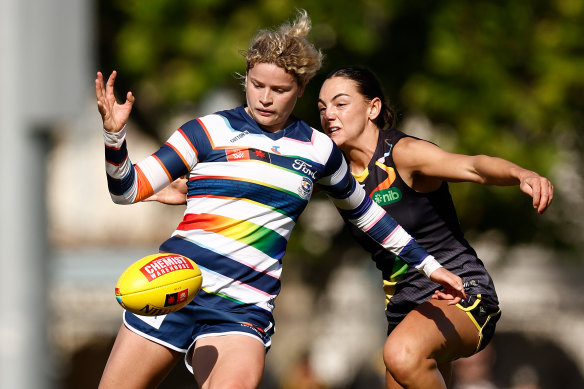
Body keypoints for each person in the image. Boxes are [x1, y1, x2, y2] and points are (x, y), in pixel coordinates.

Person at [95, 11, 465, 389]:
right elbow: (126, 190)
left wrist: (431, 267)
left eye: (280, 90)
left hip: (243, 308)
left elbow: (369, 216)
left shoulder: (320, 151)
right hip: (173, 284)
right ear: (247, 79)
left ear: (301, 89)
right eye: (257, 85)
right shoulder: (206, 130)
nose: (266, 99)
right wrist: (114, 136)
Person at [316, 66, 553, 389]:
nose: (329, 114)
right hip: (403, 307)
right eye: (322, 107)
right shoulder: (333, 173)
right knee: (400, 356)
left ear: (373, 108)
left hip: (460, 292)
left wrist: (521, 174)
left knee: (399, 353)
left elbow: (473, 166)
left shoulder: (403, 154)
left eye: (340, 104)